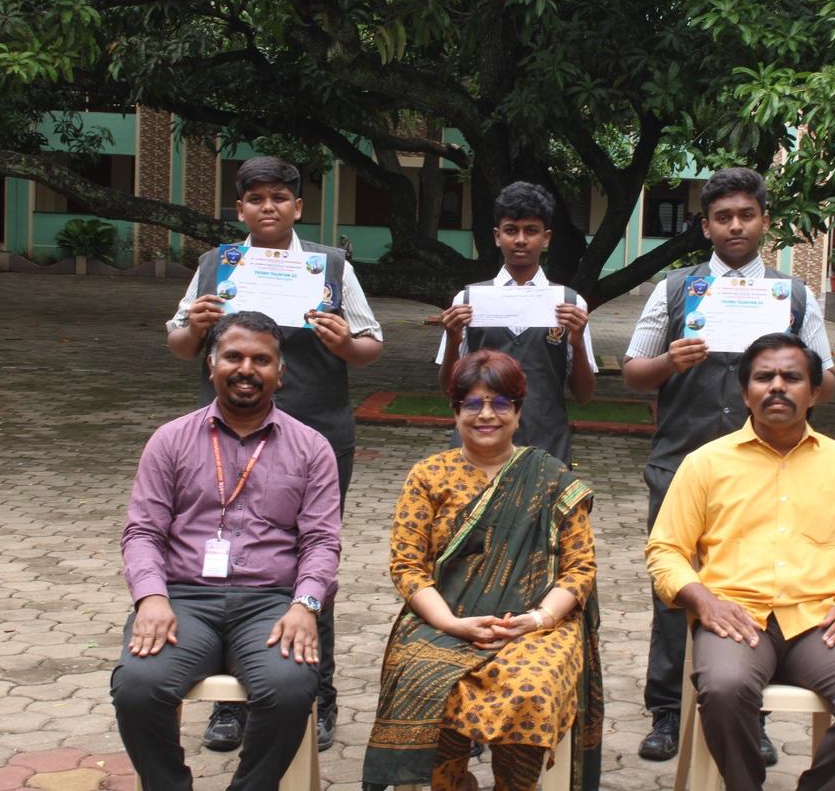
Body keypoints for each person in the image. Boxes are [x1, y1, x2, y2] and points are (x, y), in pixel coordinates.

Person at [165, 156, 383, 751]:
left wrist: (345, 341)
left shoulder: (329, 266)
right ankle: (231, 705)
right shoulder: (218, 265)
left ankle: (319, 695)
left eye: (280, 197)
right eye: (256, 198)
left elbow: (370, 343)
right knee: (232, 554)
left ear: (298, 206)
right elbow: (182, 344)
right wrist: (196, 323)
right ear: (240, 209)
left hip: (314, 436)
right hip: (229, 439)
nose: (268, 207)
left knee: (313, 558)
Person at [623, 167, 835, 764]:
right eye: (722, 217)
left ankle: (750, 712)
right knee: (675, 589)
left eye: (746, 214)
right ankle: (667, 710)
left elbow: (830, 380)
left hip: (772, 469)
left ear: (765, 222)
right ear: (705, 225)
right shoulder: (675, 291)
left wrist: (797, 376)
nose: (735, 225)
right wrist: (671, 359)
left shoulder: (792, 296)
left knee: (763, 585)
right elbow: (634, 370)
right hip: (680, 462)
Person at [646, 333, 835, 790]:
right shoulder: (705, 463)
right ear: (745, 393)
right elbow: (665, 550)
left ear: (815, 391)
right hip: (735, 619)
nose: (777, 387)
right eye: (764, 377)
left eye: (792, 377)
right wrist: (704, 602)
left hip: (820, 623)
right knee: (725, 689)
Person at [112, 311, 342, 790]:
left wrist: (306, 606)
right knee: (137, 687)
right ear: (211, 363)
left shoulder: (312, 447)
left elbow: (321, 541)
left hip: (270, 604)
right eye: (233, 356)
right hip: (183, 601)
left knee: (290, 687)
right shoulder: (170, 440)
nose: (246, 369)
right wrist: (151, 598)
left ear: (281, 372)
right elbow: (142, 533)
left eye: (262, 359)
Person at [363, 350, 602, 791]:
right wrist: (452, 623)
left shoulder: (551, 477)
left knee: (530, 688)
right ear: (455, 411)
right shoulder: (428, 476)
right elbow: (407, 567)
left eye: (500, 403)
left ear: (519, 411)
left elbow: (579, 569)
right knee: (423, 678)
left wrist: (535, 620)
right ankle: (449, 784)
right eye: (472, 403)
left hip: (536, 626)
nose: (486, 414)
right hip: (443, 618)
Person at [435, 181, 596, 466]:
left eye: (531, 231)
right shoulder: (469, 300)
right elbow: (449, 389)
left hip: (546, 449)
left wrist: (577, 342)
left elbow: (583, 395)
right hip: (476, 448)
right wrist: (453, 340)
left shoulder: (569, 304)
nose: (520, 240)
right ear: (497, 236)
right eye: (511, 230)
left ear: (546, 238)